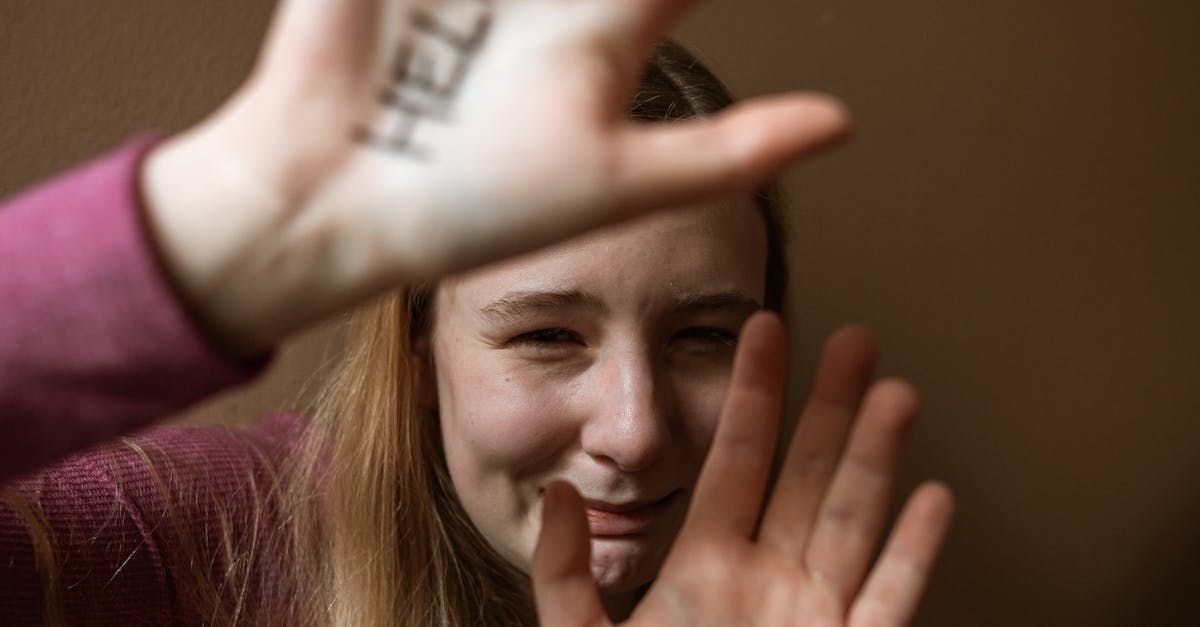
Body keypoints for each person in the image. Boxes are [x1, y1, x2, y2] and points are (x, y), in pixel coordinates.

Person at [0, 0, 953, 625]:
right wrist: (205, 236)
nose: (637, 430)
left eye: (704, 337)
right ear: (418, 347)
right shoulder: (204, 543)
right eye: (546, 335)